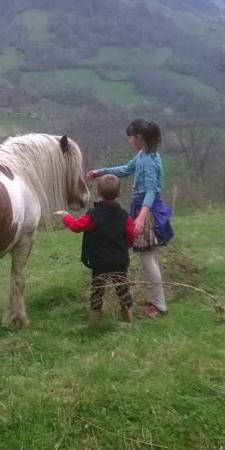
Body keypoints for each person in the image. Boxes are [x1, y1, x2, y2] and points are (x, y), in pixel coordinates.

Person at [86, 118, 174, 318]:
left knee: (147, 257)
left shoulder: (150, 161)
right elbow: (126, 169)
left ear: (140, 138)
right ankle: (155, 299)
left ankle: (159, 306)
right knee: (149, 257)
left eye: (131, 138)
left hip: (147, 211)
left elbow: (151, 192)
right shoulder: (142, 155)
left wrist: (141, 219)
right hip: (141, 209)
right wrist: (102, 171)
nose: (129, 141)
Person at [55, 174, 135, 323]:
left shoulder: (93, 216)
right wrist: (127, 245)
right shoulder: (125, 217)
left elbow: (76, 226)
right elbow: (131, 234)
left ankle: (93, 324)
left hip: (100, 264)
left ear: (97, 192)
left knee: (97, 293)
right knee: (123, 292)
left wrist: (66, 216)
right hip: (120, 262)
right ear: (119, 193)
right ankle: (129, 322)